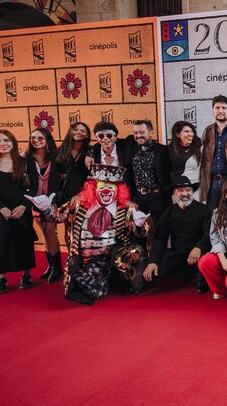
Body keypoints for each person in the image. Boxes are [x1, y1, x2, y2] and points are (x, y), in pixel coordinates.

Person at [25, 165, 150, 305]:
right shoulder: (79, 203)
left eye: (111, 187)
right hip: (83, 261)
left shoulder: (127, 208)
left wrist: (140, 225)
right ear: (93, 188)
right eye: (101, 186)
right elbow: (57, 217)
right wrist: (45, 208)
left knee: (135, 252)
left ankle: (116, 279)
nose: (106, 190)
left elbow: (142, 234)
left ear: (119, 190)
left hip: (110, 259)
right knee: (90, 291)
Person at [0, 130, 38, 294]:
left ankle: (26, 275)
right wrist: (2, 208)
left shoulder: (27, 162)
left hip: (22, 208)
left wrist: (24, 206)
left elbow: (34, 187)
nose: (2, 144)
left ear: (13, 142)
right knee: (0, 242)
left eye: (6, 140)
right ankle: (1, 278)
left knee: (24, 239)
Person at [142, 175, 211, 294]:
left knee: (202, 280)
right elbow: (160, 238)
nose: (185, 193)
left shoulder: (204, 210)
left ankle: (198, 275)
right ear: (174, 193)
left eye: (188, 190)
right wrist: (152, 261)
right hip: (178, 253)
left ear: (192, 192)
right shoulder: (168, 212)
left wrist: (199, 247)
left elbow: (210, 233)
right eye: (180, 190)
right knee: (154, 275)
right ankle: (186, 272)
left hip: (199, 252)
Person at [25, 127, 63, 283]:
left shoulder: (57, 158)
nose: (36, 140)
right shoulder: (25, 158)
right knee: (45, 234)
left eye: (40, 138)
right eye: (33, 137)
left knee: (49, 231)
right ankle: (51, 265)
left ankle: (57, 268)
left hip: (52, 202)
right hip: (34, 203)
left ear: (47, 140)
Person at [129, 120, 170, 224]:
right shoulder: (130, 148)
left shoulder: (163, 150)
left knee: (160, 230)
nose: (138, 136)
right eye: (136, 133)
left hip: (158, 196)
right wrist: (91, 153)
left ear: (151, 133)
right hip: (138, 197)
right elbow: (107, 142)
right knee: (137, 231)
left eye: (142, 132)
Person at [55, 122, 91, 206]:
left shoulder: (90, 152)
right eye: (76, 130)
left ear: (87, 135)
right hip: (62, 195)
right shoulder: (60, 151)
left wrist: (83, 195)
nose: (79, 132)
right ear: (71, 132)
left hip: (82, 195)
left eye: (82, 131)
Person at [167, 120, 203, 201]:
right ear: (178, 134)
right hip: (178, 192)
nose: (190, 134)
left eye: (192, 131)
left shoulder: (199, 148)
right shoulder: (169, 151)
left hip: (197, 190)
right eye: (186, 131)